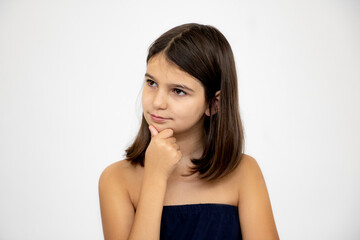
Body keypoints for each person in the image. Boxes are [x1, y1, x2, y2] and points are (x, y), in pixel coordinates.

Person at [98, 23, 279, 240]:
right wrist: (155, 178)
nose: (158, 102)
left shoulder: (244, 173)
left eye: (178, 91)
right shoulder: (116, 179)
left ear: (214, 103)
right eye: (152, 83)